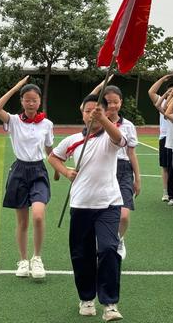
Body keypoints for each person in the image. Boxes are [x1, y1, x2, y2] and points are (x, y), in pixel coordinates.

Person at [48, 94, 126, 321]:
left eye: (96, 110)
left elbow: (119, 138)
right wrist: (66, 172)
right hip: (81, 203)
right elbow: (53, 157)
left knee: (109, 249)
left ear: (104, 112)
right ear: (82, 114)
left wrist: (104, 121)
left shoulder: (109, 137)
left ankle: (110, 304)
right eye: (87, 111)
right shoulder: (72, 140)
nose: (91, 113)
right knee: (82, 254)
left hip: (109, 203)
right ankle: (86, 298)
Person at [0, 76, 53, 279]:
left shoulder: (47, 124)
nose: (30, 103)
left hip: (38, 171)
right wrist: (16, 86)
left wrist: (55, 166)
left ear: (39, 101)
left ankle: (37, 258)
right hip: (19, 171)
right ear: (21, 101)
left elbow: (49, 148)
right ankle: (23, 260)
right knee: (23, 222)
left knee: (37, 215)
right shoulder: (14, 121)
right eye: (26, 99)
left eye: (34, 100)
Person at [86, 81, 140, 260]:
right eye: (108, 102)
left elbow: (131, 153)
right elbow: (86, 103)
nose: (112, 105)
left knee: (124, 215)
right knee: (101, 210)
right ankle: (101, 240)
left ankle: (118, 239)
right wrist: (101, 86)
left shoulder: (128, 126)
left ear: (121, 102)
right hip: (103, 168)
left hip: (123, 170)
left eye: (116, 102)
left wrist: (137, 178)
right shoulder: (96, 122)